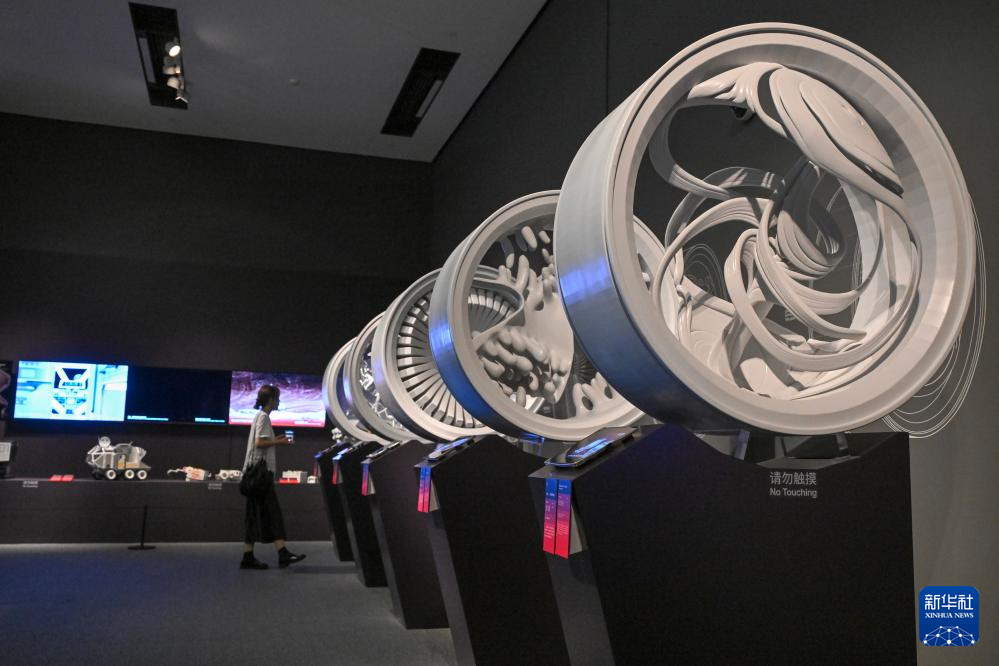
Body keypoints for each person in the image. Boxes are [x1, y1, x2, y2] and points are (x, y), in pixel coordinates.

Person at [240, 384, 306, 570]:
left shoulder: (259, 417)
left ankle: (248, 556)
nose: (279, 401)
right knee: (273, 512)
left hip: (254, 475)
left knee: (253, 516)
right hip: (261, 476)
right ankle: (282, 553)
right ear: (271, 400)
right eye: (277, 398)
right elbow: (259, 442)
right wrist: (279, 441)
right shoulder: (263, 417)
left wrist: (276, 440)